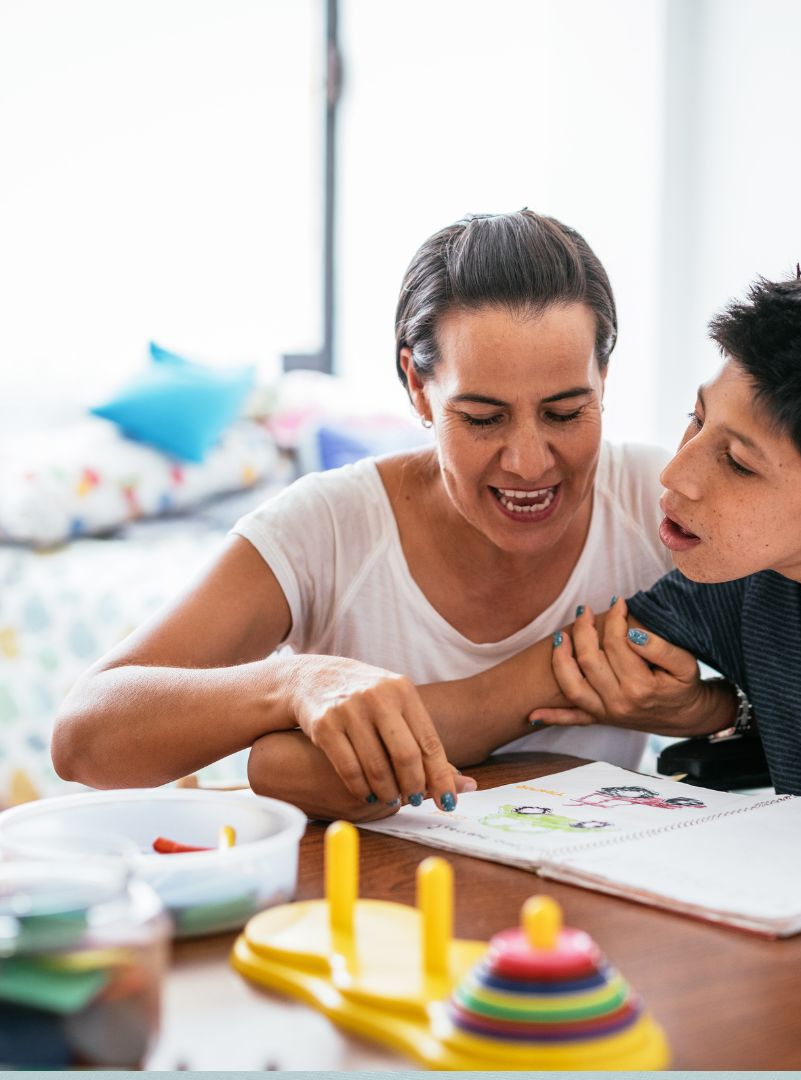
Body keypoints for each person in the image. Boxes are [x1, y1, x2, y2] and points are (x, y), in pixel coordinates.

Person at [260, 271, 801, 888]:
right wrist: (297, 697)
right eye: (697, 419)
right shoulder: (742, 576)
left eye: (736, 462)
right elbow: (457, 718)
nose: (677, 474)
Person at [50, 209, 676, 820]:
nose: (529, 462)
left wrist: (714, 709)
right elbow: (83, 738)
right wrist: (296, 684)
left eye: (566, 412)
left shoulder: (660, 500)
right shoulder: (328, 527)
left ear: (603, 376)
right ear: (416, 385)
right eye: (483, 419)